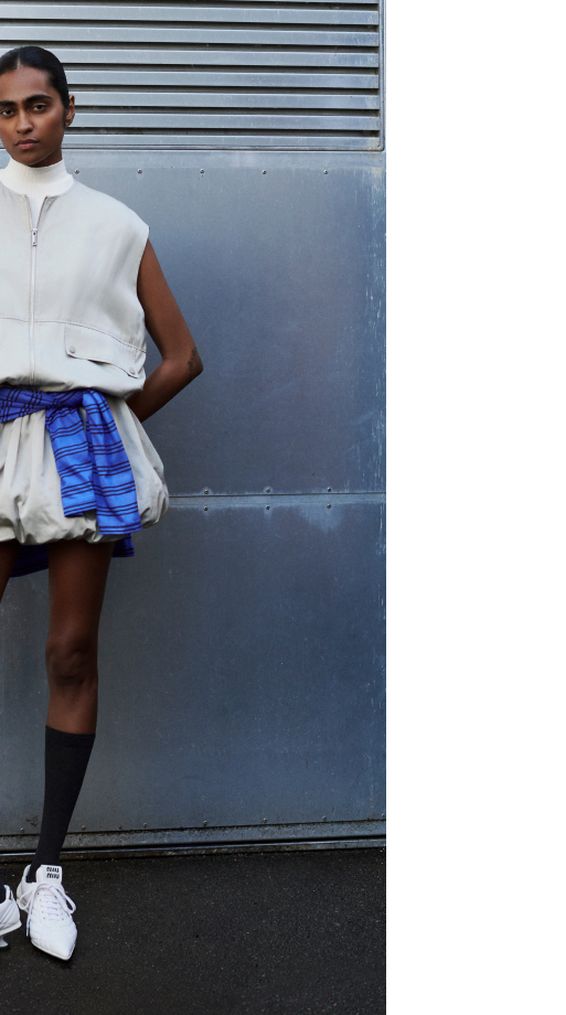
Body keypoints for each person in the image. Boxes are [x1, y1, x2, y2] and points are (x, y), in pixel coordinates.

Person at [0, 46, 203, 960]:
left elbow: (180, 354)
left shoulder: (118, 223)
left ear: (70, 110)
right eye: (5, 111)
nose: (21, 123)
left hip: (78, 450)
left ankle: (45, 874)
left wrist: (108, 427)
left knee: (70, 650)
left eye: (37, 105)